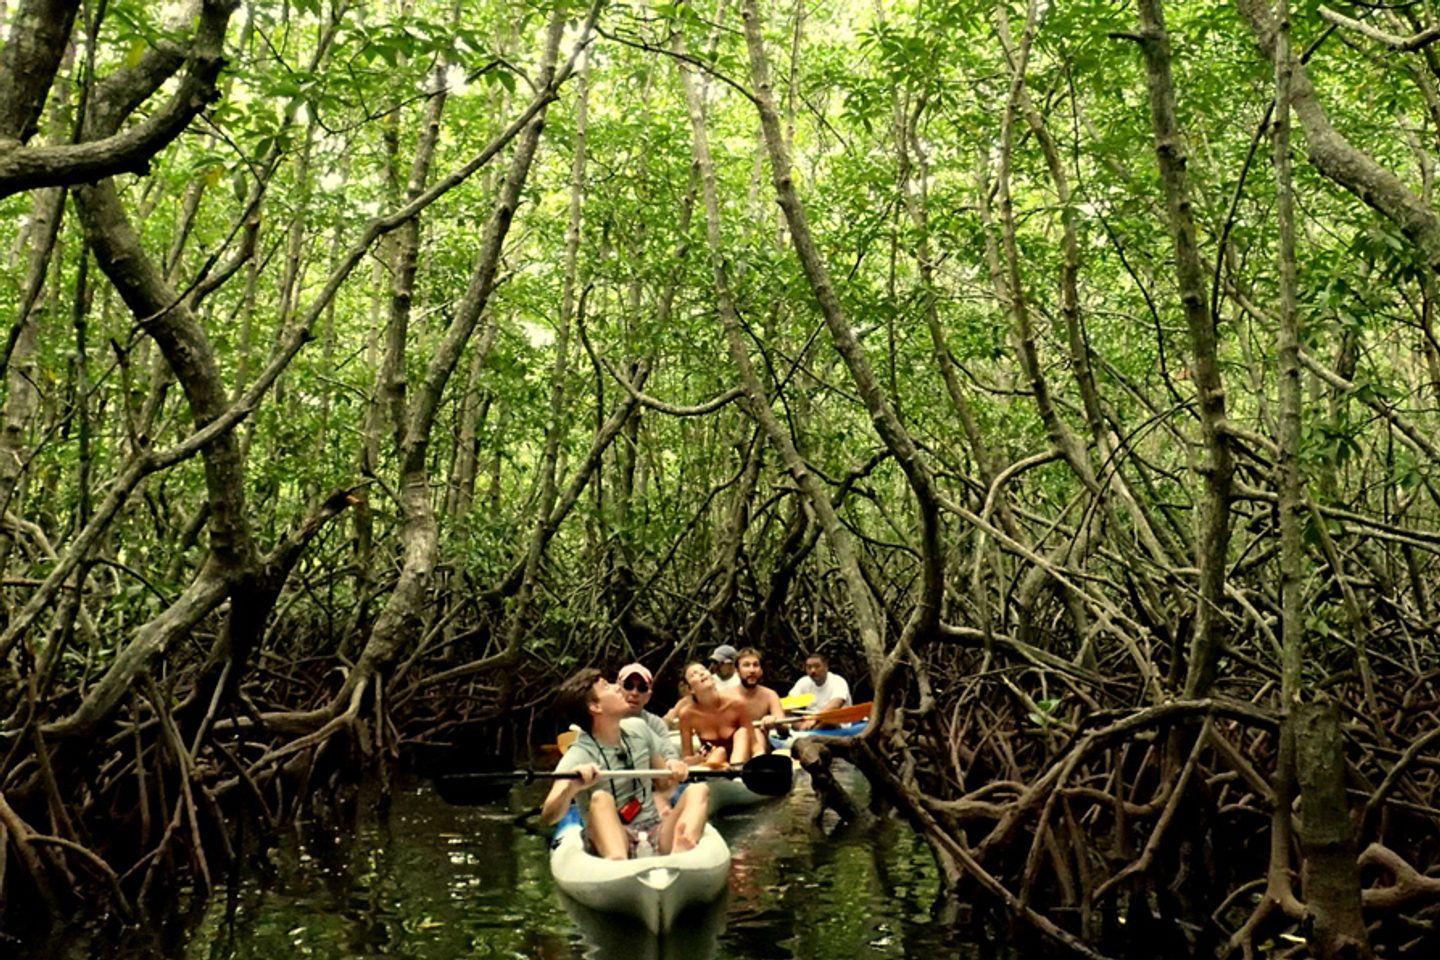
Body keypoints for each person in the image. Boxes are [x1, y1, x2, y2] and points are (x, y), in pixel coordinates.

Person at [540, 668, 709, 859]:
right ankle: (618, 861)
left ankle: (682, 851)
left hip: (654, 830)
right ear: (595, 707)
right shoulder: (578, 754)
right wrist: (571, 787)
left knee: (698, 790)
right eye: (607, 686)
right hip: (610, 837)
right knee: (601, 799)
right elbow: (548, 816)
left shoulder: (640, 729)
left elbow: (665, 787)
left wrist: (674, 769)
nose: (618, 688)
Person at [677, 661, 755, 766]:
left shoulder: (737, 704)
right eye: (693, 674)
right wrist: (700, 758)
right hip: (714, 763)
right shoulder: (687, 714)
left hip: (742, 761)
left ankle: (735, 769)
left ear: (713, 679)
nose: (701, 673)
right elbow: (687, 759)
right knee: (720, 751)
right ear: (691, 689)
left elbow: (756, 746)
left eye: (703, 670)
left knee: (742, 732)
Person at [617, 662, 678, 761]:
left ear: (648, 696)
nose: (634, 693)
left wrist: (674, 763)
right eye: (628, 686)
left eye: (642, 688)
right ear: (617, 689)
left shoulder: (656, 724)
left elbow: (670, 755)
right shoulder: (603, 719)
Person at [731, 647, 785, 751]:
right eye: (746, 665)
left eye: (755, 665)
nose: (752, 670)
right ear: (737, 670)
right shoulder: (725, 696)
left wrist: (776, 722)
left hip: (761, 747)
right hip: (732, 746)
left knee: (757, 732)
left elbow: (785, 730)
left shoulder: (770, 695)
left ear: (760, 670)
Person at [787, 652, 851, 730]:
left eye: (817, 666)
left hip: (834, 722)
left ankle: (806, 732)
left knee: (827, 721)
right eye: (809, 667)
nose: (813, 670)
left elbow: (836, 704)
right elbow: (788, 703)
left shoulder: (838, 681)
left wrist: (815, 718)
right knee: (786, 716)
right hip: (809, 721)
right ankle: (804, 730)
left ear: (826, 667)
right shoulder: (803, 681)